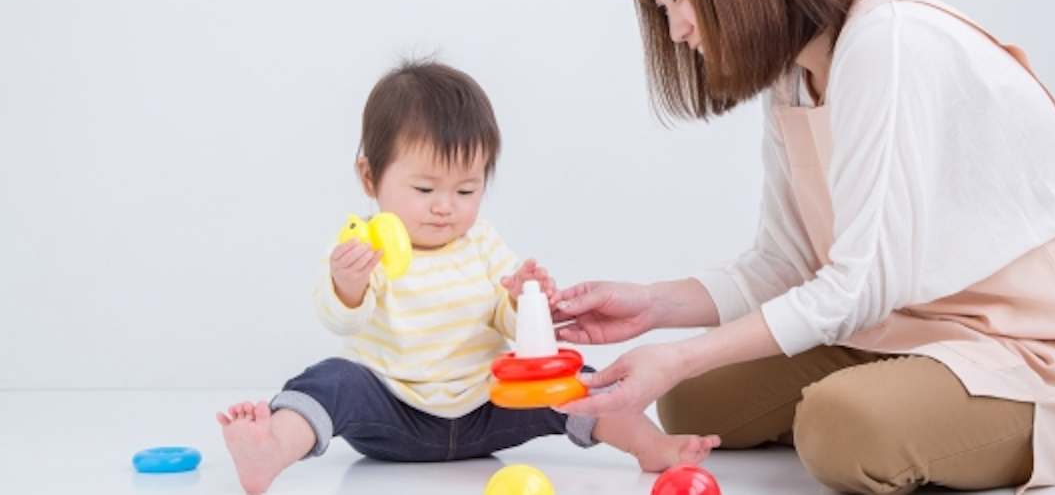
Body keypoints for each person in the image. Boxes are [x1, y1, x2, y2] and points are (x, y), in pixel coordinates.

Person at [552, 0, 1055, 495]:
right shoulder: (795, 75)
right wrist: (653, 306)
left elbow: (859, 283)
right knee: (691, 401)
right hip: (904, 327)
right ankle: (901, 386)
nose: (675, 30)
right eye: (660, 7)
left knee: (837, 430)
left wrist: (683, 353)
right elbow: (786, 263)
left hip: (1037, 345)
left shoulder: (887, 41)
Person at [217, 59, 718, 494]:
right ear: (370, 178)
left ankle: (650, 446)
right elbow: (341, 318)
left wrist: (525, 301)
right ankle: (271, 449)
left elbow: (507, 323)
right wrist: (347, 284)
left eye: (465, 191)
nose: (444, 208)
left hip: (488, 407)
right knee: (332, 380)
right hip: (394, 415)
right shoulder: (362, 248)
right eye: (425, 187)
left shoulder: (483, 244)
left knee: (569, 378)